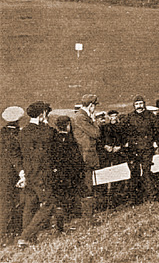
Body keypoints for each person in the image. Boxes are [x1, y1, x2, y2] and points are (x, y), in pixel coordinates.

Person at [17, 101, 56, 248]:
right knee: (48, 204)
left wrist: (24, 175)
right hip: (41, 174)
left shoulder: (23, 131)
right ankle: (25, 237)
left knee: (30, 205)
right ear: (42, 114)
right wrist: (45, 123)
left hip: (28, 174)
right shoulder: (45, 131)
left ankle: (28, 239)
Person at [124, 95, 159, 203]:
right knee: (134, 172)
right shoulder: (129, 117)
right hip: (134, 149)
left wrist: (153, 141)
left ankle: (152, 196)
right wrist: (127, 142)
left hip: (147, 148)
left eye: (141, 103)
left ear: (144, 104)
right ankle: (135, 199)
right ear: (134, 106)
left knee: (146, 171)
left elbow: (158, 129)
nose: (139, 106)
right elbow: (123, 131)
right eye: (137, 104)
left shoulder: (150, 116)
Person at [52, 116, 85, 232]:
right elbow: (77, 160)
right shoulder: (71, 140)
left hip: (57, 176)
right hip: (70, 175)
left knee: (60, 201)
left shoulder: (54, 139)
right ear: (68, 125)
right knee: (70, 199)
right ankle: (69, 223)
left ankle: (59, 226)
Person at [72, 93, 101, 224]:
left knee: (88, 186)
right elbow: (96, 133)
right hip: (85, 156)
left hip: (86, 155)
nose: (95, 108)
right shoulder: (82, 117)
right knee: (87, 186)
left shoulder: (81, 116)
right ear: (90, 106)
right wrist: (95, 121)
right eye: (94, 106)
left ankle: (89, 216)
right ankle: (89, 218)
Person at [1, 106, 25, 246]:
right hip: (12, 174)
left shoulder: (1, 133)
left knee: (4, 203)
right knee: (14, 202)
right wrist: (21, 172)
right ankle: (11, 231)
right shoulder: (17, 135)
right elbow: (16, 157)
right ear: (18, 121)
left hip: (2, 174)